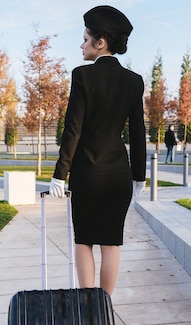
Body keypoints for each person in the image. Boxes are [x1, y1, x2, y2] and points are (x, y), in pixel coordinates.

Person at [49, 5, 146, 295]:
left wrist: (59, 175)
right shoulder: (134, 81)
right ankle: (105, 310)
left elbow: (73, 130)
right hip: (118, 175)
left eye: (85, 38)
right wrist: (139, 177)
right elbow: (138, 133)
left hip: (87, 175)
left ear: (100, 42)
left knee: (84, 241)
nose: (81, 44)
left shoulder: (82, 76)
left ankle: (88, 310)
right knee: (111, 243)